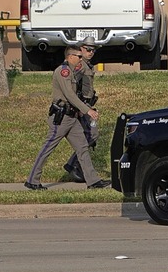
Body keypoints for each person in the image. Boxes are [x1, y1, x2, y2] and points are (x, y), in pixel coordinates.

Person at [25, 45, 111, 190]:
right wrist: (87, 110)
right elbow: (69, 95)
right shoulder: (63, 71)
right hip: (61, 119)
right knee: (47, 149)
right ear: (70, 56)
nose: (80, 59)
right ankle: (32, 180)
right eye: (78, 56)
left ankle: (93, 181)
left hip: (72, 118)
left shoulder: (73, 72)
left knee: (83, 148)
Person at [64, 36, 99, 183]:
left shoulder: (87, 65)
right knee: (92, 134)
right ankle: (73, 165)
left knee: (91, 135)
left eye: (93, 50)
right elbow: (72, 85)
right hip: (82, 106)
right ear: (81, 49)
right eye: (88, 49)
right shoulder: (79, 66)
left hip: (87, 105)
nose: (91, 52)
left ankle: (74, 165)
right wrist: (80, 106)